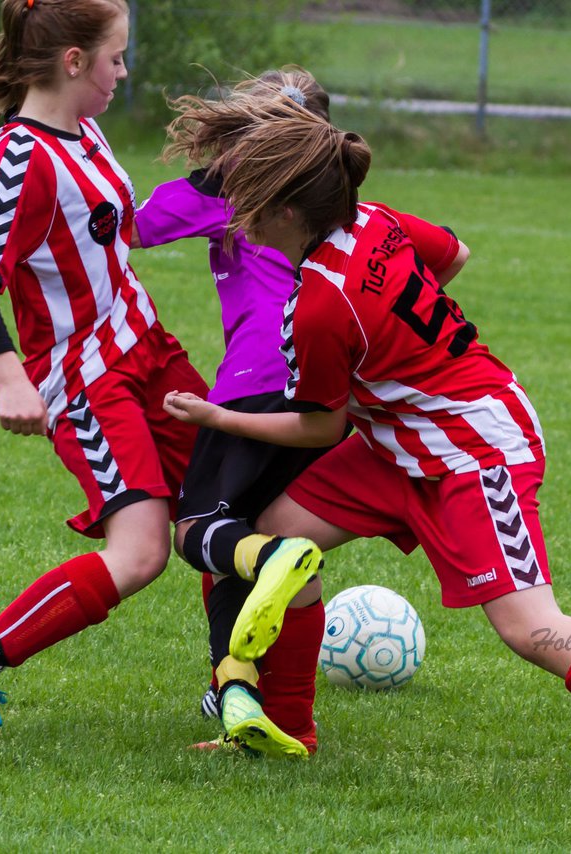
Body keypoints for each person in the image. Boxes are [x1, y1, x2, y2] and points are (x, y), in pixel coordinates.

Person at [161, 89, 571, 815]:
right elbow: (455, 252)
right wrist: (395, 341)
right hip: (398, 442)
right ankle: (286, 729)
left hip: (475, 448)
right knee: (277, 538)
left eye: (249, 200)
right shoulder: (373, 220)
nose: (239, 215)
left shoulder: (317, 302)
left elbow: (321, 428)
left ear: (287, 211)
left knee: (530, 628)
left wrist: (216, 415)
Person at [133, 68, 468, 757]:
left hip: (255, 382)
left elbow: (129, 229)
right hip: (325, 388)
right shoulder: (339, 203)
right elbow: (452, 252)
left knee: (207, 535)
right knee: (257, 541)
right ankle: (255, 706)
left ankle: (239, 685)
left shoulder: (228, 189)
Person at [0, 0, 210, 750]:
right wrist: (10, 378)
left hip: (149, 351)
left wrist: (233, 181)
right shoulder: (21, 155)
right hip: (87, 380)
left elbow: (122, 224)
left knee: (228, 505)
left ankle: (232, 685)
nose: (123, 70)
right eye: (115, 57)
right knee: (141, 551)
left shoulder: (86, 130)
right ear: (73, 62)